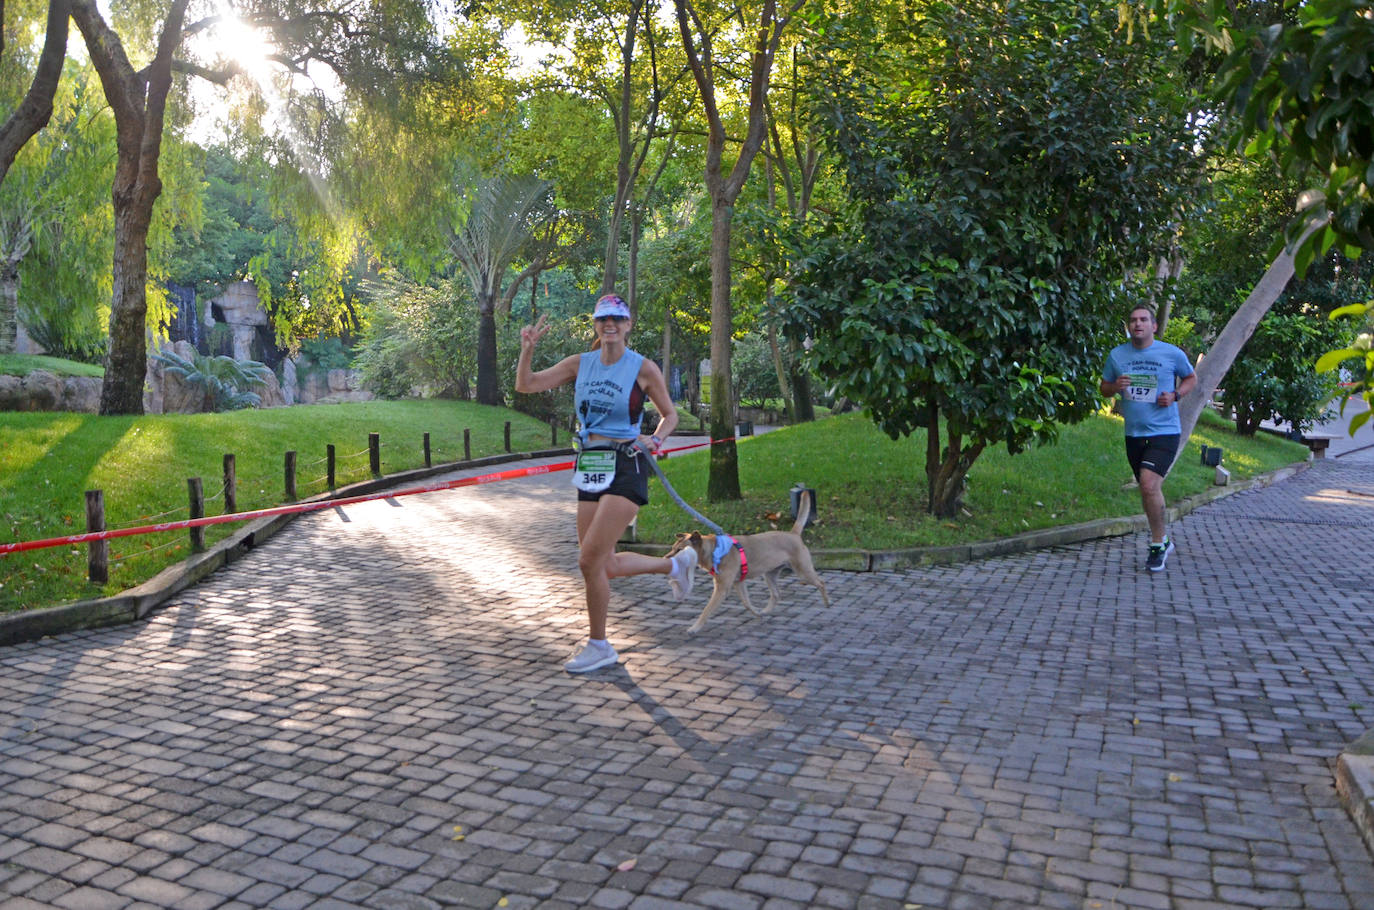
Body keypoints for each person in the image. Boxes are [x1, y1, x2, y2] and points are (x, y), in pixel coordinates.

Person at [515, 293, 698, 672]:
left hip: (627, 464)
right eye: (602, 319)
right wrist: (527, 350)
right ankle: (675, 566)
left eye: (617, 318)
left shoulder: (642, 368)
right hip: (590, 463)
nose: (609, 324)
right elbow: (526, 385)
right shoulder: (579, 364)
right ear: (596, 326)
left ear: (628, 324)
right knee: (604, 565)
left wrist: (656, 439)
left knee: (588, 559)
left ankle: (599, 646)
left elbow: (670, 415)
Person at [1099, 305, 1198, 572]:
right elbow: (1104, 388)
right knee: (1148, 489)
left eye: (1143, 320)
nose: (1137, 324)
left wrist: (1176, 396)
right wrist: (1115, 386)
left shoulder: (1171, 353)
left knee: (1148, 484)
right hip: (1134, 434)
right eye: (1133, 320)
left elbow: (1191, 377)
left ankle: (1156, 545)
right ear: (1128, 327)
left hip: (1165, 431)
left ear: (1154, 326)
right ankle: (1163, 538)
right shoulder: (1117, 355)